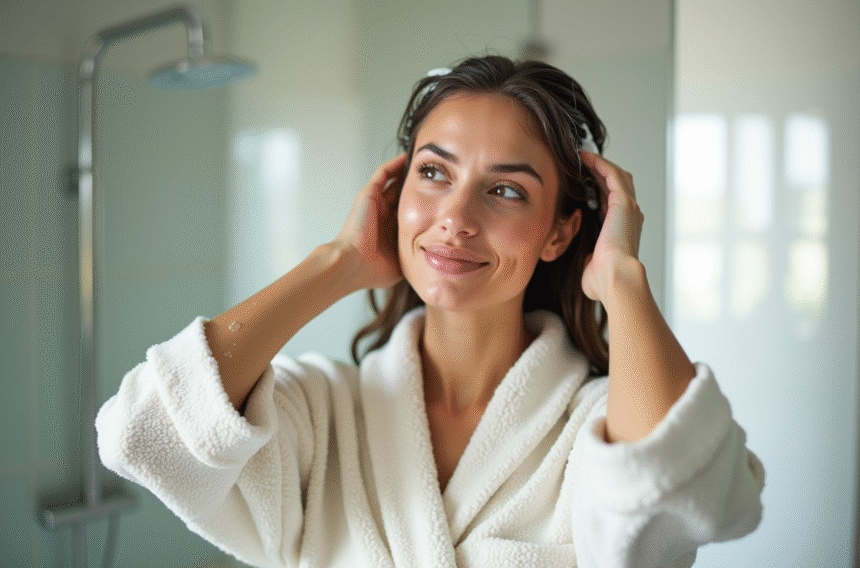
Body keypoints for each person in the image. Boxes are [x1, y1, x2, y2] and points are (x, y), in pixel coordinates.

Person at [96, 55, 764, 568]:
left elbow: (688, 491)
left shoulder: (590, 430)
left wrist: (621, 275)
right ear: (395, 189)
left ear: (559, 232)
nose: (455, 219)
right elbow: (143, 432)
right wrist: (338, 262)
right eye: (435, 173)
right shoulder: (321, 415)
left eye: (504, 189)